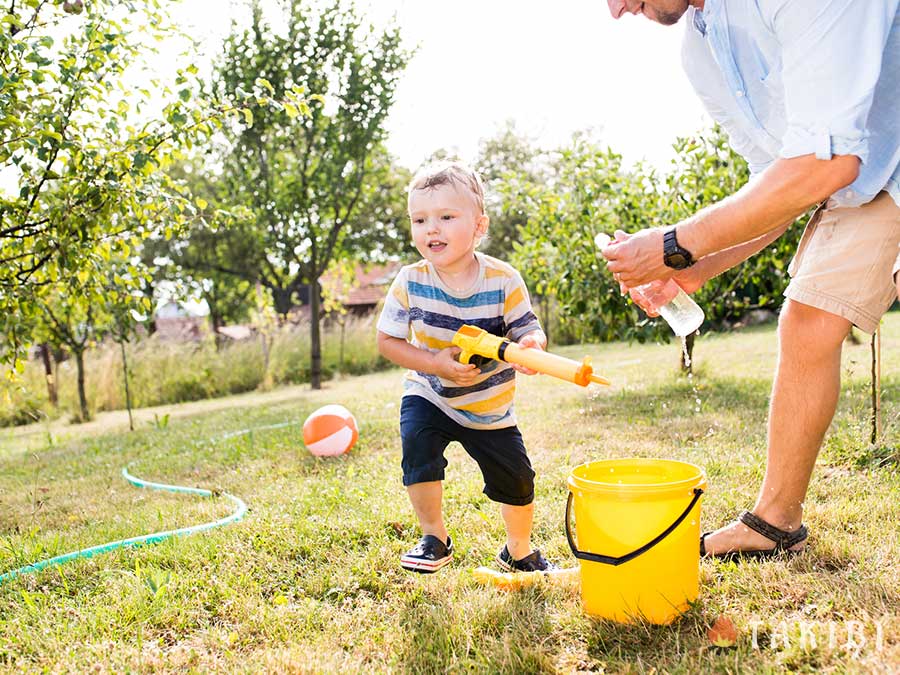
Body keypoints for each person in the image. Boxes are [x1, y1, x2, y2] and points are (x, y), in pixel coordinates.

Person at [601, 1, 900, 558]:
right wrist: (688, 266)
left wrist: (672, 245)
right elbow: (777, 184)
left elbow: (823, 164)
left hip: (860, 162)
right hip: (870, 176)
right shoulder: (701, 47)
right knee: (808, 322)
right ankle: (774, 522)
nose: (617, 10)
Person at [376, 161, 556, 574]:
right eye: (419, 219)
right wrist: (433, 364)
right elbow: (387, 341)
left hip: (489, 406)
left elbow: (529, 330)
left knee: (517, 480)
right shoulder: (409, 280)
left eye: (445, 217)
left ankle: (519, 550)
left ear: (478, 226)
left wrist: (530, 347)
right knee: (418, 450)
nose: (430, 229)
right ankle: (434, 538)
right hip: (430, 393)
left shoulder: (503, 279)